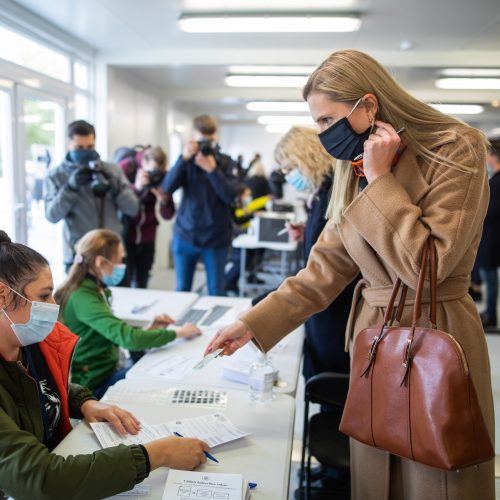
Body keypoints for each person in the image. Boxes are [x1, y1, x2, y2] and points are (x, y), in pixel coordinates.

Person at [205, 49, 494, 500]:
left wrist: (381, 181)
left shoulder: (456, 148)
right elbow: (326, 267)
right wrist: (253, 323)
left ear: (368, 106)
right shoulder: (354, 163)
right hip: (374, 337)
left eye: (326, 120)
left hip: (436, 332)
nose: (322, 134)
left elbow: (427, 270)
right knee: (376, 473)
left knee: (435, 476)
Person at [0, 230, 209, 500]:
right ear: (2, 295)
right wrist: (157, 454)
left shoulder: (30, 344)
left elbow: (43, 387)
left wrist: (85, 402)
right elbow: (42, 479)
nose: (54, 304)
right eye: (44, 296)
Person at [55, 229, 201, 399]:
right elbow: (129, 339)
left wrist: (149, 330)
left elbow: (117, 334)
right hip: (94, 385)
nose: (122, 265)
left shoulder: (95, 290)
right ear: (101, 262)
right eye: (119, 260)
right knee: (160, 382)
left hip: (106, 371)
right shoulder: (83, 298)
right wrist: (179, 332)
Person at [43, 120, 139, 271]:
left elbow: (133, 209)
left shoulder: (112, 171)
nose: (85, 152)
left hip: (113, 253)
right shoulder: (56, 176)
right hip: (79, 255)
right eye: (79, 147)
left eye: (90, 147)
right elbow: (52, 215)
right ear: (68, 144)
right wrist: (70, 188)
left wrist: (117, 189)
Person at [162, 115, 238, 296]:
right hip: (185, 235)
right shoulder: (187, 162)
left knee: (216, 290)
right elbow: (167, 188)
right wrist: (183, 158)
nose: (206, 144)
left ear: (216, 138)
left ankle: (219, 326)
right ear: (194, 139)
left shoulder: (226, 163)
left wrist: (212, 170)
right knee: (182, 290)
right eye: (202, 140)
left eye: (210, 140)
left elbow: (230, 196)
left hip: (216, 237)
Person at [119, 146, 175, 288]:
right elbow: (119, 201)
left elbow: (168, 215)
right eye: (152, 170)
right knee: (124, 280)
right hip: (127, 235)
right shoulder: (127, 169)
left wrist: (163, 199)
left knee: (142, 281)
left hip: (148, 236)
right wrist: (136, 188)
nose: (155, 175)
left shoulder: (163, 178)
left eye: (159, 171)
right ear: (143, 163)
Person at [476, 138, 500, 329]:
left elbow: (490, 210)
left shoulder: (497, 182)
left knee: (489, 278)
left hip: (492, 238)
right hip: (491, 237)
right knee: (488, 276)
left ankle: (491, 314)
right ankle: (489, 311)